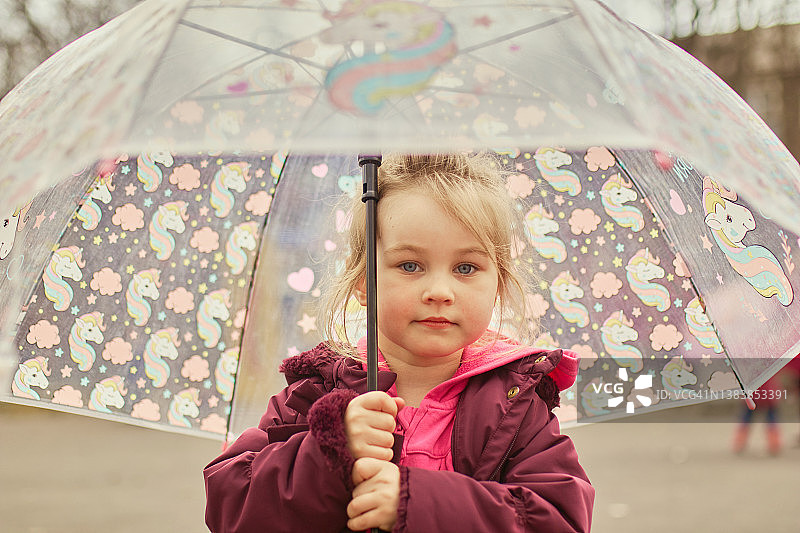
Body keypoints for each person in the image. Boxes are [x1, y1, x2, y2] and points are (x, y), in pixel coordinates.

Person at [204, 153, 594, 532]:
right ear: (362, 282)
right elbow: (235, 507)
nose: (439, 291)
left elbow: (557, 518)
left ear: (499, 284)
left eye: (466, 268)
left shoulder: (516, 403)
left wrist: (414, 501)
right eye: (410, 265)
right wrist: (329, 450)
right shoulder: (317, 392)